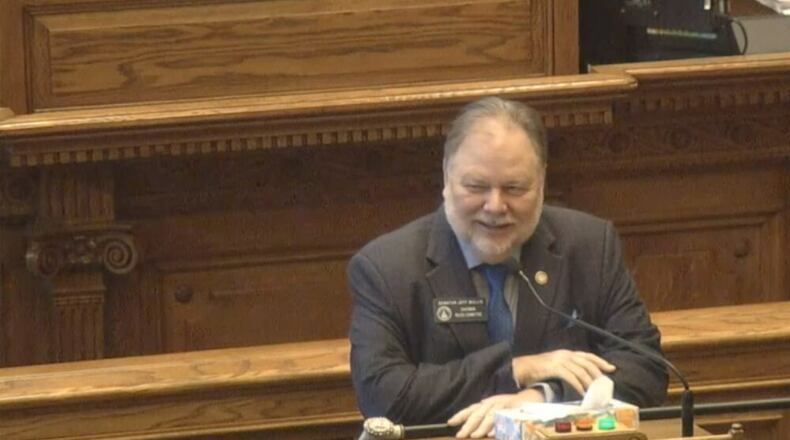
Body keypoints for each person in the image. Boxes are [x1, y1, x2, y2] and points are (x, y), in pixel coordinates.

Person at [348, 97, 668, 438]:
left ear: (541, 182)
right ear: (446, 177)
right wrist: (517, 370)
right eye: (476, 187)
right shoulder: (387, 268)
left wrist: (542, 399)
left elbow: (646, 367)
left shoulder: (589, 246)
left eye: (514, 188)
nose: (495, 206)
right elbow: (384, 396)